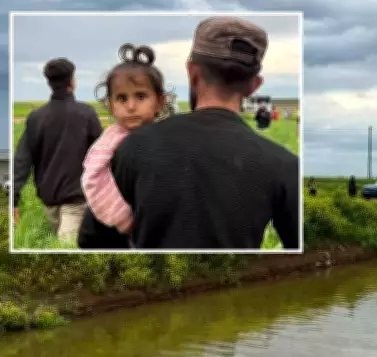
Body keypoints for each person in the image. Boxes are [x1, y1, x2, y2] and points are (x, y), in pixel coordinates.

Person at [81, 16, 300, 249]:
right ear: (254, 85)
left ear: (192, 72)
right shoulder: (284, 164)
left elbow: (92, 240)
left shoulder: (130, 146)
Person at [78, 44, 167, 249]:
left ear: (159, 102)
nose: (131, 106)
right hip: (114, 234)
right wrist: (126, 221)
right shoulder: (109, 142)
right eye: (121, 98)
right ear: (110, 104)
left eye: (141, 96)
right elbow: (93, 181)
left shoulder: (164, 136)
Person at [13, 58, 103, 241]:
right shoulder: (86, 114)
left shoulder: (36, 117)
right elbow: (103, 155)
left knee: (64, 246)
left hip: (52, 199)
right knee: (65, 249)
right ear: (72, 82)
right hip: (76, 195)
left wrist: (13, 199)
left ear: (49, 83)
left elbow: (22, 160)